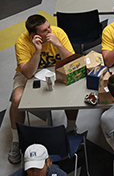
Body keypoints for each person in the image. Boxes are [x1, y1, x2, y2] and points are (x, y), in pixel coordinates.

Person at [9, 15, 75, 164]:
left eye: (49, 27)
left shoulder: (58, 33)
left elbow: (72, 60)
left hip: (54, 68)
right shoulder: (22, 41)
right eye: (45, 30)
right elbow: (27, 73)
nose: (50, 31)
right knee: (17, 99)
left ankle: (71, 128)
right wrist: (37, 51)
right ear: (34, 35)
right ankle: (16, 140)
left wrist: (58, 44)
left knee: (71, 89)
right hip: (29, 71)